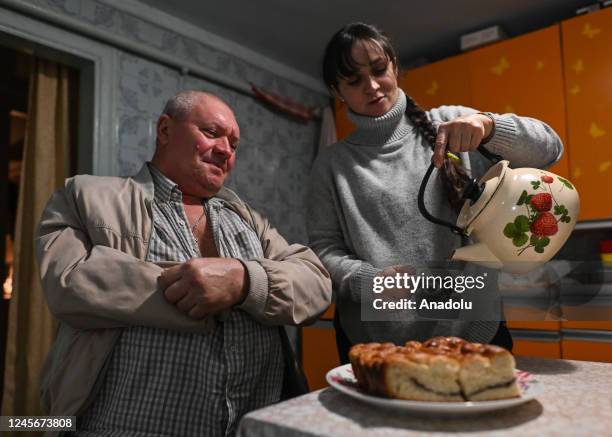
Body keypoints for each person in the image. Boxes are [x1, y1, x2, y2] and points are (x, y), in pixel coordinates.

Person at [35, 90, 332, 436]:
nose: (225, 150)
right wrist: (206, 293)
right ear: (164, 130)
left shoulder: (250, 220)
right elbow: (68, 284)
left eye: (234, 145)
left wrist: (244, 282)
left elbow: (316, 282)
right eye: (211, 133)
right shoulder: (85, 197)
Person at [307, 23, 563, 364]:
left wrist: (489, 127)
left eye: (379, 69)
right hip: (378, 345)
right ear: (337, 90)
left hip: (473, 330)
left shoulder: (451, 122)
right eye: (353, 81)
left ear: (395, 65)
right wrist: (367, 280)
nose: (371, 86)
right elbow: (323, 248)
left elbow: (550, 148)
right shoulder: (331, 165)